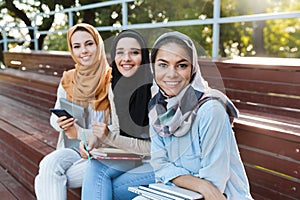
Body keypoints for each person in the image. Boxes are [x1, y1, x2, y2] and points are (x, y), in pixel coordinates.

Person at [148, 32, 253, 200]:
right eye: (163, 65)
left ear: (193, 69)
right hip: (177, 194)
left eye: (181, 65)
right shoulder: (157, 109)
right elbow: (159, 165)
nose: (171, 74)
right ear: (153, 67)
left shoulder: (211, 110)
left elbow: (214, 185)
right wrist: (200, 185)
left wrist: (192, 183)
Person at [34, 23, 112, 200]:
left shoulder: (113, 80)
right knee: (48, 164)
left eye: (89, 44)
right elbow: (54, 119)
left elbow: (119, 128)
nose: (83, 50)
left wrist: (88, 137)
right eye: (77, 46)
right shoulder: (68, 79)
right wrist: (61, 122)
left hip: (104, 151)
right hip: (74, 146)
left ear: (98, 45)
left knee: (46, 179)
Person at [79, 29, 155, 200]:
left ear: (143, 56)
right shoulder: (115, 86)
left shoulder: (155, 89)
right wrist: (94, 139)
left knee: (103, 187)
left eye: (134, 53)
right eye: (120, 53)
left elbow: (156, 148)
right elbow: (118, 129)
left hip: (158, 163)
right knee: (96, 167)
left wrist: (109, 138)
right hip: (132, 155)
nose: (126, 59)